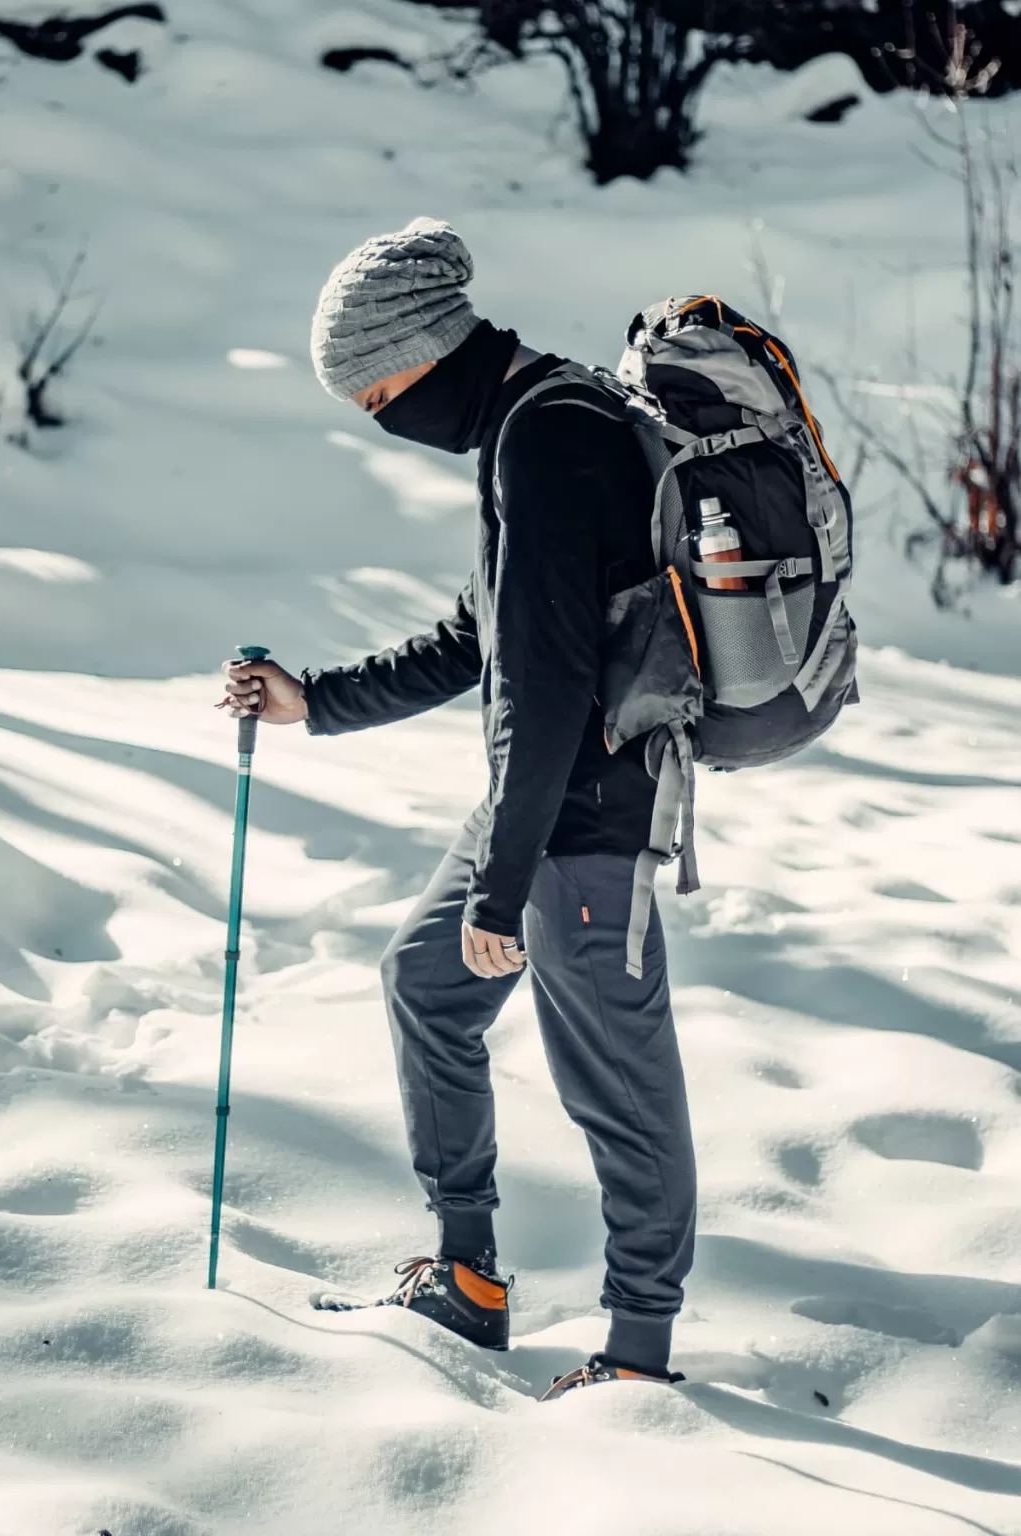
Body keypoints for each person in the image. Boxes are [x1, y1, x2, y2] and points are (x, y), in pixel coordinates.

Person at [218, 217, 696, 1397]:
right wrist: (311, 702)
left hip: (586, 818)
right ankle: (468, 1275)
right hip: (535, 801)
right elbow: (480, 639)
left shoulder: (549, 438)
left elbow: (549, 680)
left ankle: (638, 1353)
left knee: (617, 1086)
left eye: (380, 392)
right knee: (427, 985)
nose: (380, 416)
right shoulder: (522, 426)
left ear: (429, 352)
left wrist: (504, 882)